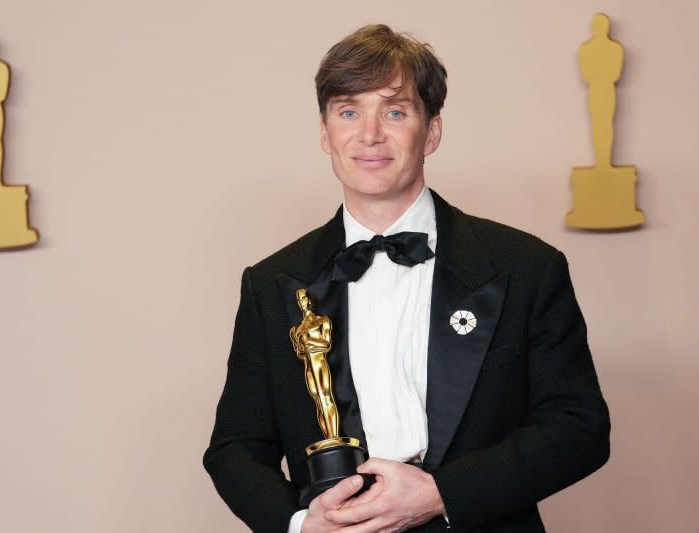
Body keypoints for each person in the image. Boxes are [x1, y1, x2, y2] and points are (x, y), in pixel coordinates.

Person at [204, 24, 610, 533]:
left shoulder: (527, 265)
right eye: (348, 111)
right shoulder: (272, 282)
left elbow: (579, 428)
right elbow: (235, 448)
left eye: (395, 111)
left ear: (431, 131)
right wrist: (302, 523)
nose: (369, 134)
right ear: (325, 132)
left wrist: (443, 494)